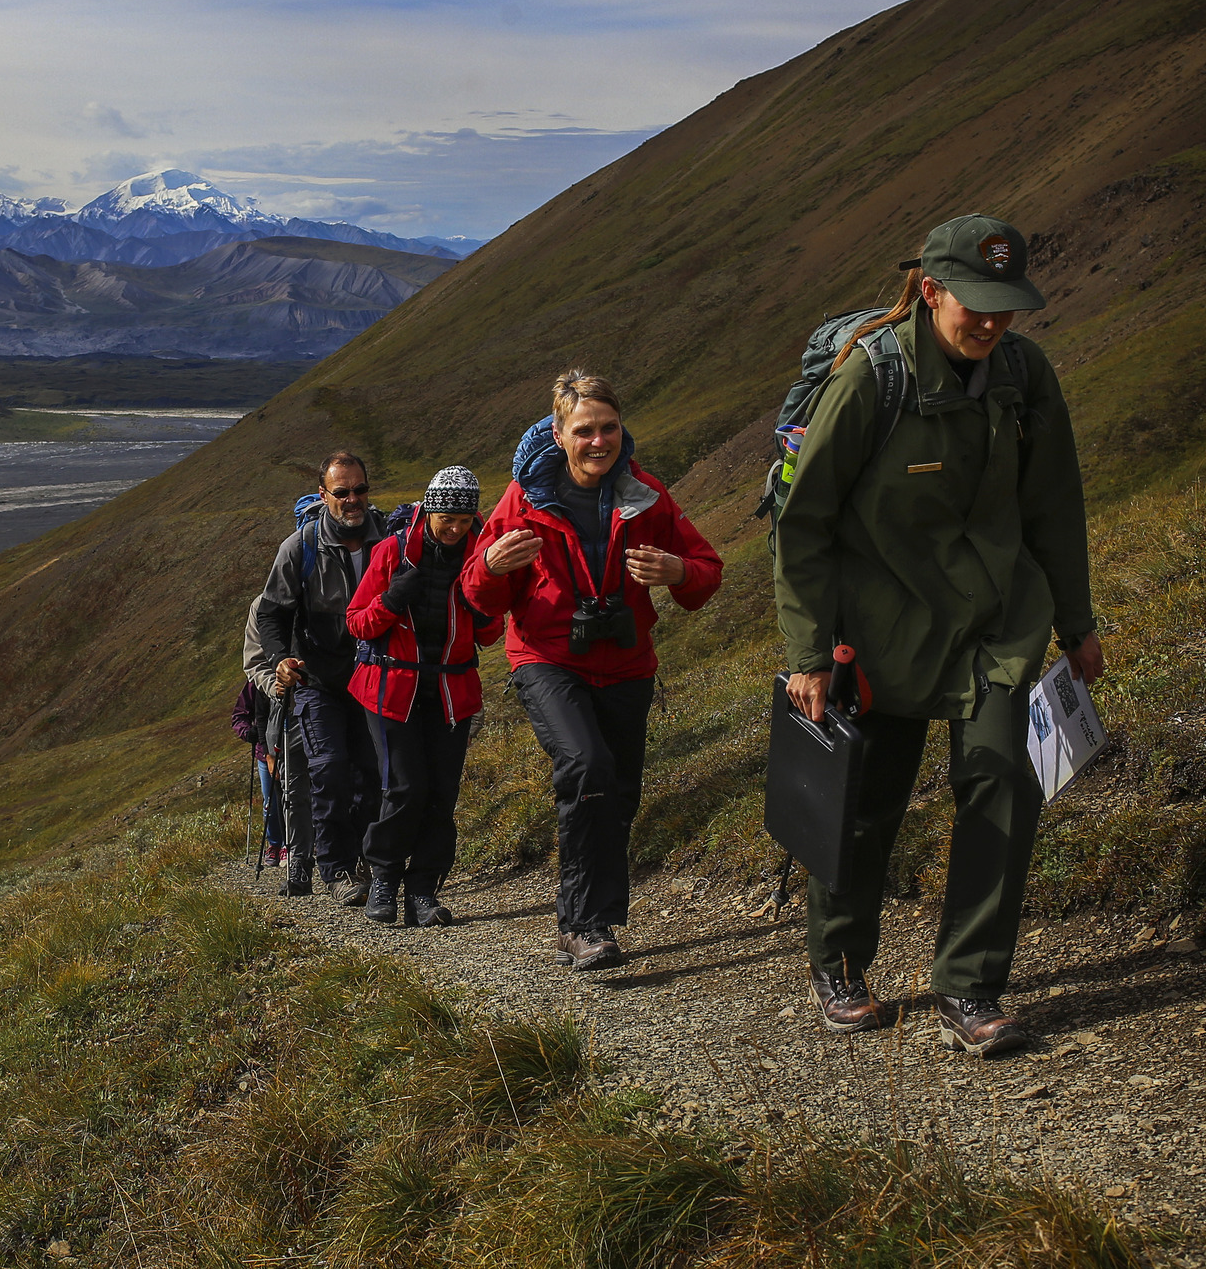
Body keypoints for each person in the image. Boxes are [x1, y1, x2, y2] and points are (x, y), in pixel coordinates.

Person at [774, 214, 1101, 1056]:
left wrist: (1077, 623)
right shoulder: (870, 381)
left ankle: (970, 984)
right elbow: (803, 527)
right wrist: (810, 654)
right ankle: (840, 963)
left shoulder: (1023, 377)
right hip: (878, 631)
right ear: (930, 291)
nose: (991, 323)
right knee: (865, 805)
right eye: (975, 305)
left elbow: (1054, 506)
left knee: (1004, 784)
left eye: (1006, 307)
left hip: (997, 625)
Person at [464, 371, 723, 970]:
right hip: (547, 659)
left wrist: (677, 572)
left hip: (627, 662)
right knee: (586, 766)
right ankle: (589, 924)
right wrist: (493, 565)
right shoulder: (523, 498)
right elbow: (479, 595)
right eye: (585, 430)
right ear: (559, 435)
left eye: (609, 428)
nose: (599, 441)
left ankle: (576, 915)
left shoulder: (646, 495)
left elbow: (705, 569)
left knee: (617, 793)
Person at [346, 466, 503, 926]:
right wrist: (393, 600)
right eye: (445, 519)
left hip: (452, 690)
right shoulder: (392, 552)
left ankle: (423, 890)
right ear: (430, 509)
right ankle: (384, 880)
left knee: (441, 792)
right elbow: (357, 622)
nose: (454, 528)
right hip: (391, 689)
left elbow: (491, 633)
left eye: (463, 519)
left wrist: (481, 604)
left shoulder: (482, 556)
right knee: (405, 787)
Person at [256, 451, 385, 903]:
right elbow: (271, 613)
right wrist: (280, 660)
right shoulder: (300, 547)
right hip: (320, 681)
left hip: (376, 678)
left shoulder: (389, 536)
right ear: (324, 495)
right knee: (328, 770)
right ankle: (335, 869)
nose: (353, 500)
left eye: (360, 490)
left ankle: (373, 860)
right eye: (342, 492)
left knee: (371, 773)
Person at [243, 593, 315, 888]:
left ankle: (348, 858)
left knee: (339, 777)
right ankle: (298, 861)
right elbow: (254, 662)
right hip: (286, 707)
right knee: (293, 788)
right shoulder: (263, 604)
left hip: (333, 696)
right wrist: (275, 686)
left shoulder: (334, 580)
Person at [231, 676, 286, 865]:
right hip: (265, 753)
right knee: (270, 802)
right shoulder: (256, 682)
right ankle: (275, 844)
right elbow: (239, 715)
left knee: (292, 799)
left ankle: (290, 844)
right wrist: (247, 732)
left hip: (291, 750)